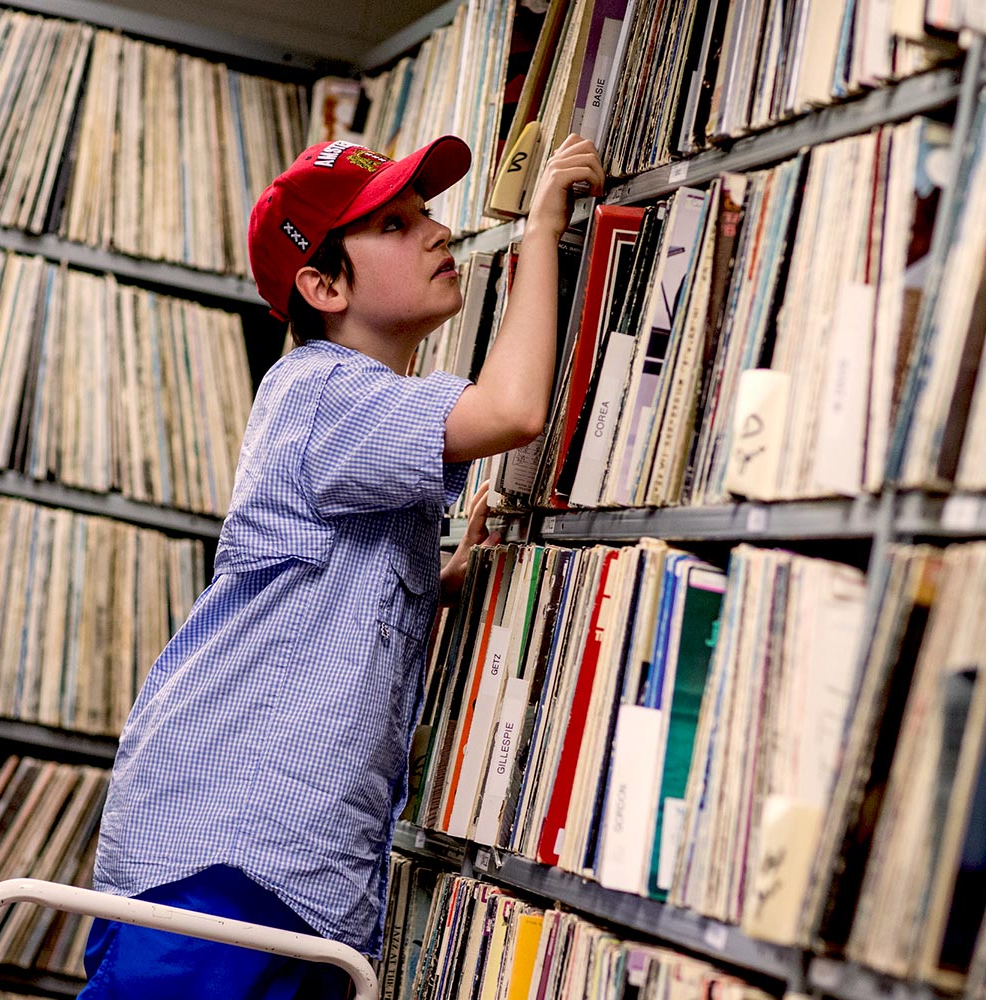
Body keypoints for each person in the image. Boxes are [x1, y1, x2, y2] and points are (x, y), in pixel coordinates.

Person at [81, 132, 604, 999]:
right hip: (228, 859)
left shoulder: (361, 411)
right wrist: (541, 233)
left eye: (427, 212)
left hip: (292, 873)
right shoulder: (323, 388)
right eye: (396, 225)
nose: (437, 232)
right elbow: (513, 410)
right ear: (324, 288)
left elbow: (331, 591)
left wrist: (440, 584)